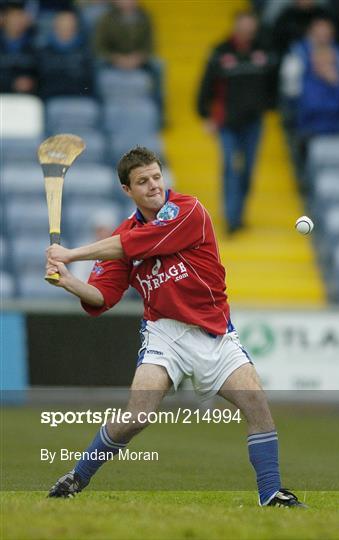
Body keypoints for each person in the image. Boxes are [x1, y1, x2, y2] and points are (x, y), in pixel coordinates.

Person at [45, 147, 306, 508]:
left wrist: (70, 253)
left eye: (156, 176)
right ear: (127, 190)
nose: (153, 185)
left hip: (213, 331)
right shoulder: (122, 238)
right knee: (137, 416)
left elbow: (135, 244)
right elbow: (101, 296)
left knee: (256, 403)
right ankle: (77, 476)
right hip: (164, 334)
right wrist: (68, 280)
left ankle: (271, 493)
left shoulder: (188, 211)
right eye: (142, 181)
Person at [197, 11, 276, 234]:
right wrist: (205, 114)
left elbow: (273, 82)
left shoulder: (263, 50)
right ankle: (232, 219)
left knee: (248, 170)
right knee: (231, 168)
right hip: (227, 122)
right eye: (243, 26)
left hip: (254, 122)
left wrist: (269, 105)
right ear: (235, 26)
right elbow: (206, 83)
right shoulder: (220, 51)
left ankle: (239, 213)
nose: (246, 31)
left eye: (250, 27)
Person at [37, 9, 93, 99]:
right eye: (62, 23)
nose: (66, 26)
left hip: (78, 97)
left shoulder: (85, 51)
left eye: (69, 23)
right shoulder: (43, 51)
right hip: (50, 96)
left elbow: (88, 80)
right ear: (55, 25)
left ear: (76, 26)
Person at [0, 1, 37, 93]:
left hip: (28, 97)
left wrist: (32, 82)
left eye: (20, 16)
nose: (16, 21)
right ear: (4, 18)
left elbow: (43, 74)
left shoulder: (36, 46)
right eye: (13, 17)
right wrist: (11, 84)